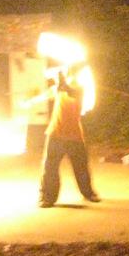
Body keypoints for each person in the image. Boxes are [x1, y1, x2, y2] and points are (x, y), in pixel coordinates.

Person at [38, 67, 100, 207]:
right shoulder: (59, 88)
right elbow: (48, 93)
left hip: (74, 135)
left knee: (81, 167)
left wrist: (62, 82)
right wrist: (30, 101)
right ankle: (47, 198)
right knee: (50, 168)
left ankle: (88, 193)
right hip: (55, 133)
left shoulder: (79, 89)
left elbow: (69, 91)